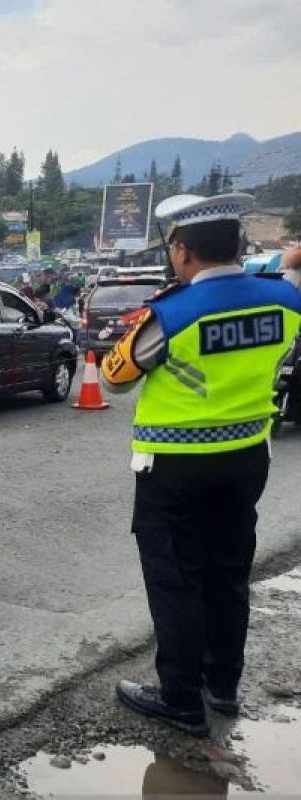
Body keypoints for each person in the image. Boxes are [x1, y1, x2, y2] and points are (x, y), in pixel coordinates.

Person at [101, 193, 301, 737]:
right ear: (237, 245)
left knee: (176, 580)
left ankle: (180, 697)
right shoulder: (283, 301)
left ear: (183, 251)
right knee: (228, 575)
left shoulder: (173, 312)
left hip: (175, 469)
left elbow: (114, 378)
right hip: (245, 461)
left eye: (171, 247)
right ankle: (223, 685)